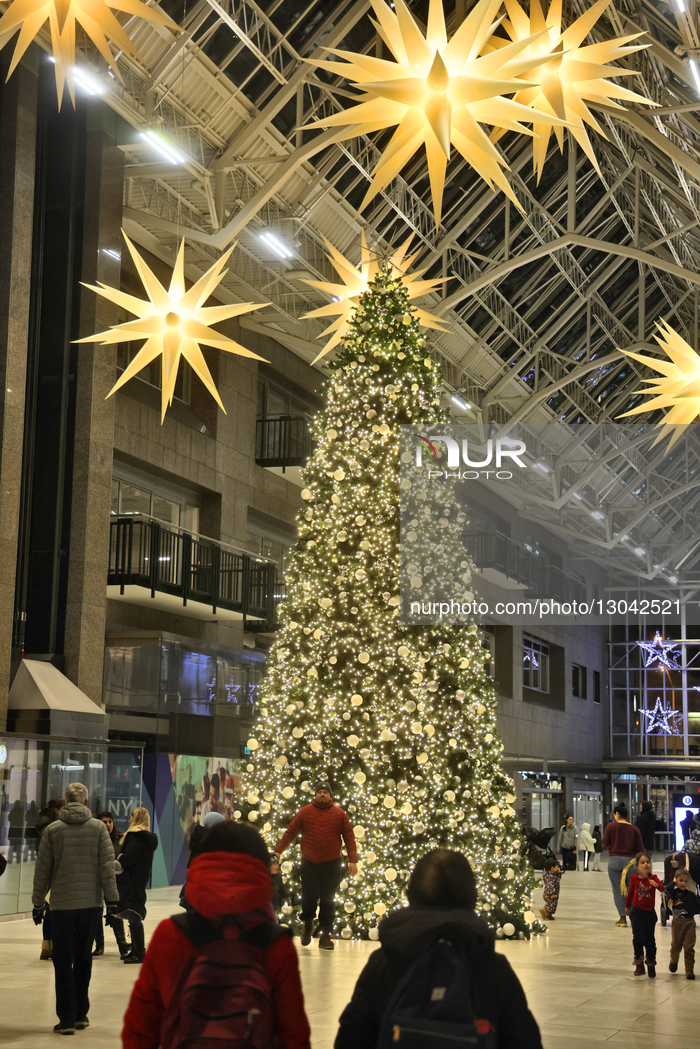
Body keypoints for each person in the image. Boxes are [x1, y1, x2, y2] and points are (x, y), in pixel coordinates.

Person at [121, 821, 311, 1049]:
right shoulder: (275, 943)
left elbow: (140, 1027)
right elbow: (294, 1034)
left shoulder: (171, 934)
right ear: (260, 868)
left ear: (202, 859)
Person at [335, 848, 542, 1049]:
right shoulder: (491, 967)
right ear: (471, 898)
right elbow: (523, 1039)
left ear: (411, 894)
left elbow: (352, 1036)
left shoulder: (384, 962)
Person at [31, 782, 119, 1035]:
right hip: (90, 905)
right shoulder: (99, 829)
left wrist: (38, 904)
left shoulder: (52, 830)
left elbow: (42, 872)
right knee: (83, 957)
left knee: (62, 960)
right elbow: (107, 868)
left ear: (65, 803)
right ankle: (81, 1013)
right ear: (86, 803)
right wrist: (111, 902)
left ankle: (66, 1018)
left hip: (61, 906)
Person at [275, 780, 357, 950]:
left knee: (328, 900)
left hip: (332, 864)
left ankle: (325, 936)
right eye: (320, 792)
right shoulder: (305, 812)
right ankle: (307, 927)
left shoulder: (340, 814)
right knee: (308, 897)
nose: (322, 794)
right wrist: (278, 851)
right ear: (315, 794)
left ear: (330, 795)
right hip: (309, 863)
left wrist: (353, 860)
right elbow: (291, 832)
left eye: (325, 792)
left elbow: (349, 837)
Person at [116, 807, 158, 965]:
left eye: (131, 816)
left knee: (133, 913)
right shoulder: (148, 838)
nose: (129, 820)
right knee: (133, 910)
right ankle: (136, 950)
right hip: (140, 878)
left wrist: (119, 859)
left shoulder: (134, 836)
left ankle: (139, 952)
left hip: (130, 878)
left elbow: (130, 857)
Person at [93, 812, 129, 958]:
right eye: (104, 822)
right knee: (96, 913)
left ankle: (122, 944)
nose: (107, 825)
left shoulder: (120, 839)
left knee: (115, 912)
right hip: (96, 881)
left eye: (110, 822)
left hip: (114, 881)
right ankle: (99, 945)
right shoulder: (95, 838)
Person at [602, 804, 644, 926]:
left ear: (617, 814)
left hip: (615, 860)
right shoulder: (635, 829)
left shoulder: (611, 826)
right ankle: (633, 916)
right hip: (631, 862)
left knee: (618, 889)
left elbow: (605, 843)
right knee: (632, 889)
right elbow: (641, 848)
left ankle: (622, 918)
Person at [34, 798, 65, 960]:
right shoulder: (50, 827)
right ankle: (50, 947)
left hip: (49, 873)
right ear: (57, 810)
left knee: (50, 911)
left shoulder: (44, 823)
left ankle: (48, 947)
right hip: (54, 874)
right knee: (53, 912)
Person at [625, 851, 664, 978]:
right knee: (637, 937)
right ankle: (639, 964)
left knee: (649, 940)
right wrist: (627, 906)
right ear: (637, 866)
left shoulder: (653, 878)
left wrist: (657, 885)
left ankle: (651, 963)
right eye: (643, 862)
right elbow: (630, 892)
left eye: (647, 862)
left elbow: (663, 889)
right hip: (636, 912)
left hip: (649, 913)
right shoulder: (634, 878)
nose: (646, 864)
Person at [665, 867, 700, 979]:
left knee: (689, 946)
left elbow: (698, 907)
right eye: (680, 880)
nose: (683, 883)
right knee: (676, 945)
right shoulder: (674, 893)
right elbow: (667, 888)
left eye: (686, 881)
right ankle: (674, 960)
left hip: (690, 923)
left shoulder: (691, 895)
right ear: (676, 880)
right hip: (677, 923)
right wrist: (673, 882)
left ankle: (689, 969)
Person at [540, 857, 562, 922]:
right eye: (556, 867)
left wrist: (558, 873)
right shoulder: (551, 876)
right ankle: (545, 911)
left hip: (547, 892)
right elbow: (551, 885)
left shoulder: (548, 874)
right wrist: (553, 893)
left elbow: (557, 880)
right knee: (552, 904)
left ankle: (548, 914)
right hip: (551, 893)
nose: (557, 868)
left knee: (551, 904)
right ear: (552, 868)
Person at [7, 799, 24, 863]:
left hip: (12, 831)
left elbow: (9, 819)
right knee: (18, 846)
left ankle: (10, 859)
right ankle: (18, 859)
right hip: (19, 831)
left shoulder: (12, 811)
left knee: (11, 846)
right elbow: (23, 820)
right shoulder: (21, 812)